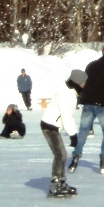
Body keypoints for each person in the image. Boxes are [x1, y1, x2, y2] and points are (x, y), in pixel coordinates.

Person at [69, 43, 104, 175]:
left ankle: (76, 155)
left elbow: (83, 83)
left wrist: (81, 98)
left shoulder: (91, 65)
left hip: (88, 104)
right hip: (103, 106)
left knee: (83, 131)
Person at [40, 69, 85, 198]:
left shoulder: (70, 92)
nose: (85, 85)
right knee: (60, 154)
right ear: (77, 82)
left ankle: (61, 182)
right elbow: (66, 116)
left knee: (62, 154)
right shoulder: (66, 94)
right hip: (50, 126)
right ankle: (55, 184)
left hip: (52, 125)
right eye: (83, 83)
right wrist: (73, 135)